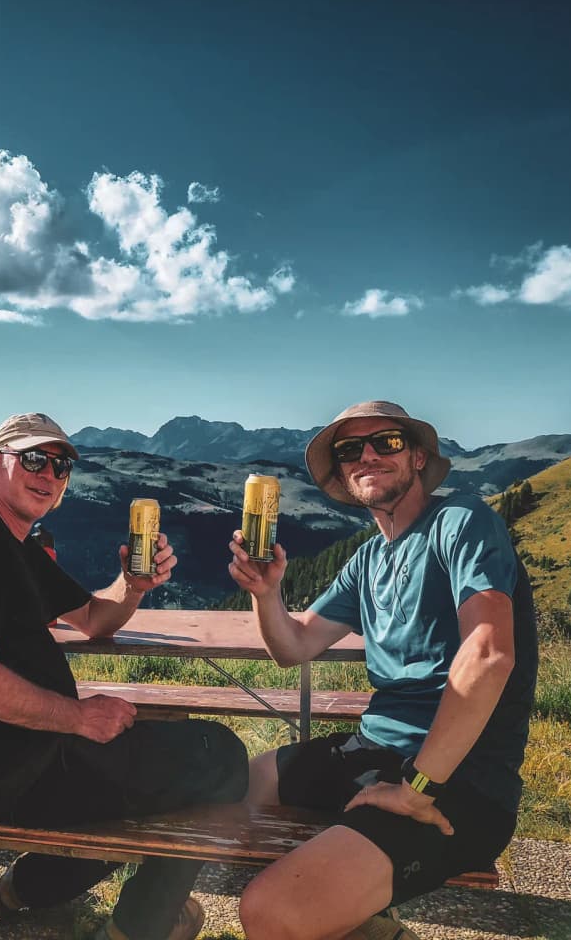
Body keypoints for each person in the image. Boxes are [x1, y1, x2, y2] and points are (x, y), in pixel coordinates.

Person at [0, 413, 249, 940]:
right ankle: (142, 924)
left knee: (156, 779)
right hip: (21, 769)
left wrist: (135, 585)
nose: (48, 473)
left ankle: (23, 890)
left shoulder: (13, 542)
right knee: (221, 756)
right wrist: (77, 716)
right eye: (32, 458)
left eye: (60, 464)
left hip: (18, 761)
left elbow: (94, 618)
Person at [229, 401, 538, 940]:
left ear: (418, 457)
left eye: (387, 442)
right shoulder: (368, 559)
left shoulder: (461, 522)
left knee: (270, 912)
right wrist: (267, 592)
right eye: (351, 450)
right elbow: (294, 647)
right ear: (344, 474)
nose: (368, 455)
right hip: (375, 753)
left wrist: (418, 786)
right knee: (240, 787)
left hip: (458, 778)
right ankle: (369, 924)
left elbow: (489, 653)